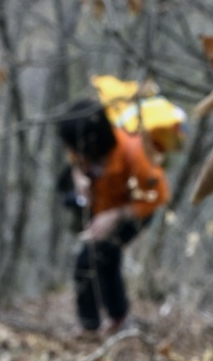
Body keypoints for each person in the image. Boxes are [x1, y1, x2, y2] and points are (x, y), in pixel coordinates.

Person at [56, 96, 170, 332]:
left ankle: (89, 327)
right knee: (107, 259)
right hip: (101, 207)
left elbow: (158, 197)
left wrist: (116, 215)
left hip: (134, 212)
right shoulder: (81, 147)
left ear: (94, 141)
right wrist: (79, 177)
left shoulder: (135, 152)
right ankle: (117, 318)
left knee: (88, 261)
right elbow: (73, 157)